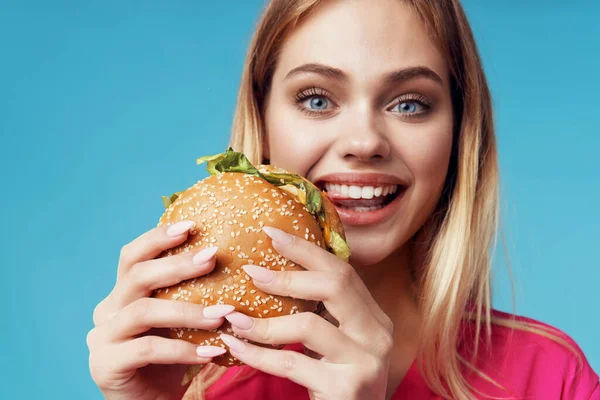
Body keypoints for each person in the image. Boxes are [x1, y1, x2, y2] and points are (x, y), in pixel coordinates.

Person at [86, 0, 599, 399]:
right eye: (316, 99)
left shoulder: (551, 376)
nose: (364, 142)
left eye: (410, 103)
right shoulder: (188, 379)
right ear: (262, 125)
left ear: (460, 135)